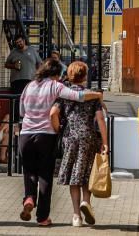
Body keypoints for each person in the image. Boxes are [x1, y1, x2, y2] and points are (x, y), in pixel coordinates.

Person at [18, 59, 104, 227]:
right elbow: (78, 96)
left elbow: (22, 111)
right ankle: (42, 217)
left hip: (26, 134)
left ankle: (29, 198)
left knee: (29, 171)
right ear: (56, 74)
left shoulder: (29, 86)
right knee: (45, 176)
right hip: (46, 135)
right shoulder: (55, 86)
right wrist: (97, 94)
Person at [52, 61, 109, 227]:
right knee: (87, 172)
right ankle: (86, 202)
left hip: (70, 137)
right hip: (89, 136)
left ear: (70, 75)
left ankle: (76, 215)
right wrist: (105, 142)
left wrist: (57, 129)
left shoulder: (64, 94)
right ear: (84, 76)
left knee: (73, 176)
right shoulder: (92, 95)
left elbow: (54, 113)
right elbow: (100, 119)